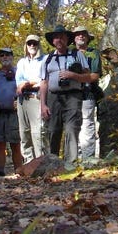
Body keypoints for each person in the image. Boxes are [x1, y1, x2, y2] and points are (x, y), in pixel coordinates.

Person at [38, 24, 98, 165]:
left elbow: (88, 77)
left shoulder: (77, 55)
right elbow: (44, 83)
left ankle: (70, 163)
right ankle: (53, 163)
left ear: (67, 39)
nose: (59, 40)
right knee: (53, 130)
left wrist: (73, 75)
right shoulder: (47, 59)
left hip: (73, 96)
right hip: (53, 97)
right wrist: (43, 105)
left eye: (62, 37)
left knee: (72, 128)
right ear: (53, 41)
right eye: (56, 37)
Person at [0, 47, 24, 176]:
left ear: (12, 57)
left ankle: (19, 171)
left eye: (8, 55)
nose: (5, 58)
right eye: (2, 55)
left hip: (14, 113)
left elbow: (24, 89)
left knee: (15, 143)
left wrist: (18, 100)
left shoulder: (19, 73)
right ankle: (0, 172)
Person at [72, 26, 102, 162]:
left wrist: (75, 76)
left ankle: (88, 159)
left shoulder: (93, 53)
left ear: (88, 38)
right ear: (73, 38)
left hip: (87, 93)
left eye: (83, 34)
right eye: (77, 34)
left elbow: (95, 76)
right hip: (70, 95)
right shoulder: (69, 53)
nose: (80, 36)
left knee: (87, 124)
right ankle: (74, 158)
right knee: (72, 125)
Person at [15, 33, 46, 162]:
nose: (32, 45)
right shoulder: (22, 62)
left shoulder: (45, 60)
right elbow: (18, 83)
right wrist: (28, 83)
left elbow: (43, 81)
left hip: (36, 99)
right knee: (24, 133)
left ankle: (41, 162)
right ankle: (28, 163)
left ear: (39, 45)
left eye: (35, 43)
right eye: (29, 43)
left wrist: (28, 83)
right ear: (26, 46)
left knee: (38, 133)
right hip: (22, 101)